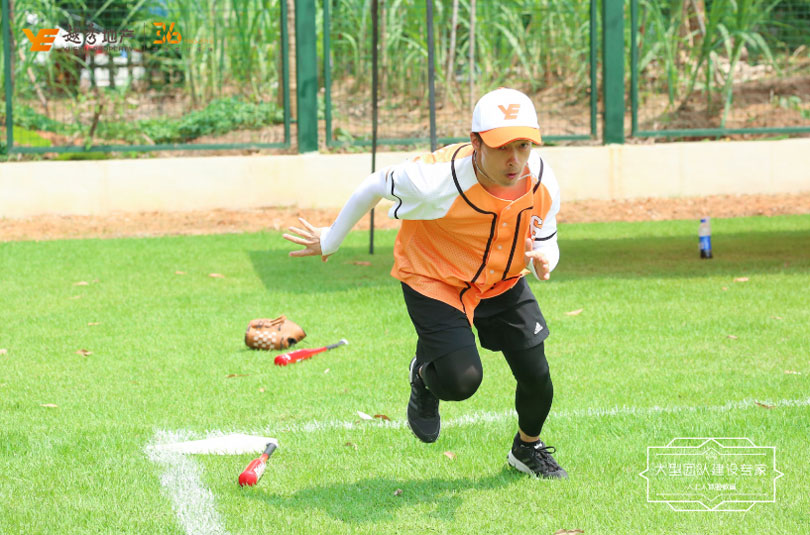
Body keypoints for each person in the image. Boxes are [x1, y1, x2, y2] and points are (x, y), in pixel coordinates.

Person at [283, 88, 566, 479]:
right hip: (436, 277)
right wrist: (330, 238)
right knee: (460, 381)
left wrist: (545, 259)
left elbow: (546, 237)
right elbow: (374, 185)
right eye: (502, 147)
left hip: (500, 280)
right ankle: (423, 374)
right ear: (476, 142)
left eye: (523, 146)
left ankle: (526, 449)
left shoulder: (540, 178)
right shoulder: (433, 179)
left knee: (537, 377)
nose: (514, 159)